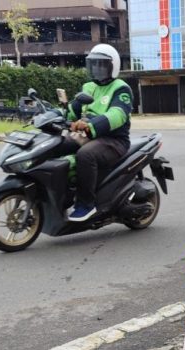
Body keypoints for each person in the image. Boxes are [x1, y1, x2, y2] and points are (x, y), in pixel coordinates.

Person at [66, 43, 133, 222]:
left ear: (113, 66)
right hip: (89, 135)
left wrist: (90, 125)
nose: (97, 68)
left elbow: (118, 114)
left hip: (114, 140)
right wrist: (53, 114)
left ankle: (86, 204)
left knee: (85, 155)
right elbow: (73, 109)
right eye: (94, 64)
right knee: (57, 144)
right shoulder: (88, 87)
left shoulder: (121, 88)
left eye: (102, 64)